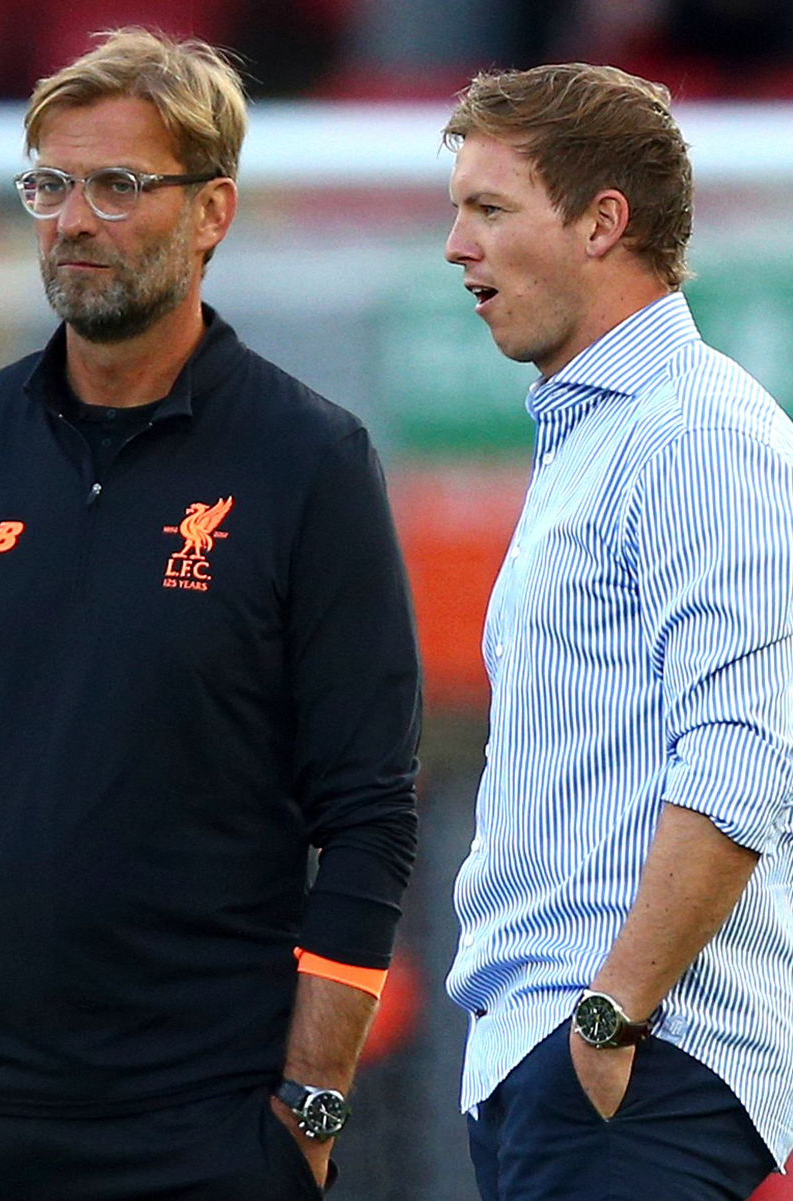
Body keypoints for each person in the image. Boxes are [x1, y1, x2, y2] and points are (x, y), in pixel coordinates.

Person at [0, 28, 421, 1201]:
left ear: (213, 212)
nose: (73, 220)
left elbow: (369, 816)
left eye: (118, 186)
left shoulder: (311, 460)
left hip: (196, 1130)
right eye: (49, 184)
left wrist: (307, 1112)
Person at [441, 63, 793, 1201]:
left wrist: (608, 1017)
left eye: (490, 208)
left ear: (603, 223)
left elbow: (746, 752)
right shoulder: (605, 435)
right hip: (572, 1070)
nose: (457, 245)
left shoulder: (696, 431)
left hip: (638, 1070)